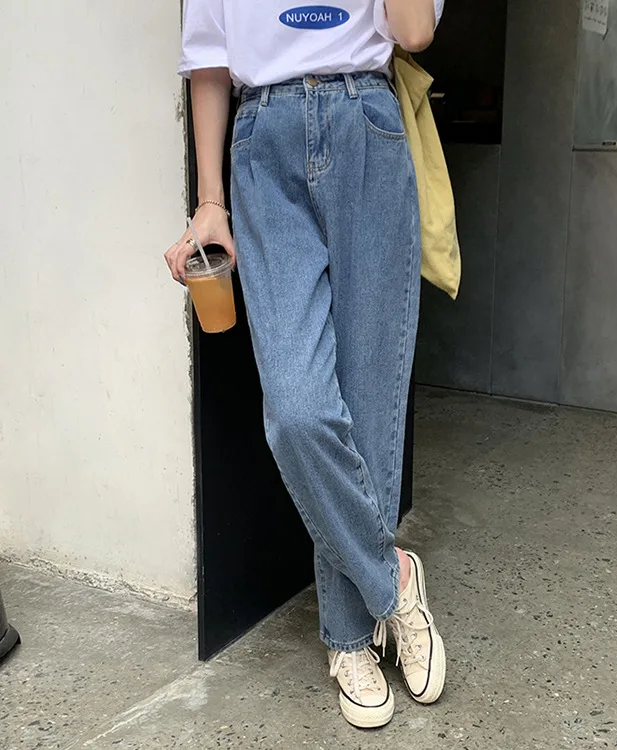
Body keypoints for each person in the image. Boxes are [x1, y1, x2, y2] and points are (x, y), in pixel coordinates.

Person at [165, 0, 447, 729]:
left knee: (371, 410)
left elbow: (415, 32)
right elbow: (208, 60)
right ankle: (392, 580)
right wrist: (209, 200)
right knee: (297, 412)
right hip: (264, 140)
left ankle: (349, 640)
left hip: (367, 126)